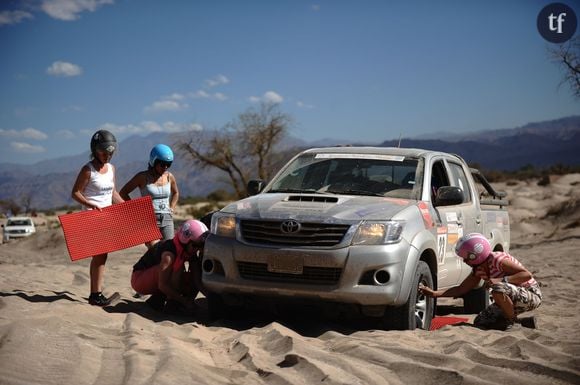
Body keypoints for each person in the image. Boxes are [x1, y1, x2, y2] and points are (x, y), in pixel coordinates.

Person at [419, 233, 542, 330]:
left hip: (530, 294)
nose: (464, 261)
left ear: (475, 256)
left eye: (466, 258)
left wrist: (499, 280)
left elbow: (526, 274)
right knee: (481, 321)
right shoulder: (478, 269)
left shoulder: (498, 259)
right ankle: (522, 322)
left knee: (498, 289)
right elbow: (461, 289)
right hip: (511, 297)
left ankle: (512, 321)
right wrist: (434, 294)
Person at [71, 129, 124, 306]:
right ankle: (95, 294)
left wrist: (125, 207)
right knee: (100, 256)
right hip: (92, 217)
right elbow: (75, 193)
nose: (107, 156)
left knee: (102, 256)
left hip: (107, 217)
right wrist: (90, 204)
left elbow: (113, 192)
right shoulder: (88, 170)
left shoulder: (111, 169)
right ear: (95, 150)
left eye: (110, 152)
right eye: (104, 152)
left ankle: (96, 294)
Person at [131, 219, 209, 315]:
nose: (198, 249)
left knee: (192, 274)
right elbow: (162, 285)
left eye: (201, 246)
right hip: (139, 279)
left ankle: (159, 301)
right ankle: (171, 303)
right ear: (186, 240)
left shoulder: (189, 251)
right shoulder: (169, 254)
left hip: (154, 278)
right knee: (175, 269)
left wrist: (211, 299)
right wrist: (183, 300)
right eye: (196, 245)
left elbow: (197, 281)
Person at [120, 144, 179, 248]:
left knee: (170, 250)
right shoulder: (142, 177)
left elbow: (176, 193)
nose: (165, 167)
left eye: (168, 164)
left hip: (167, 219)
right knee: (154, 251)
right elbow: (123, 192)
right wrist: (136, 209)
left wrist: (172, 207)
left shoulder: (170, 176)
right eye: (162, 164)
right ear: (154, 161)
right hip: (149, 220)